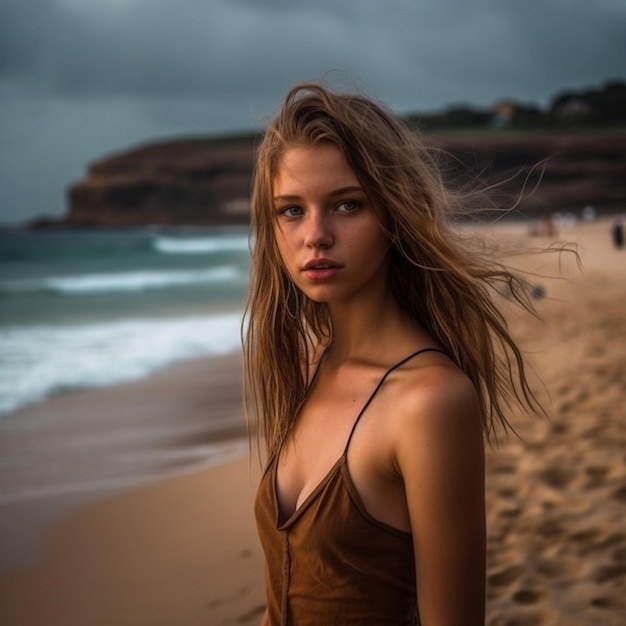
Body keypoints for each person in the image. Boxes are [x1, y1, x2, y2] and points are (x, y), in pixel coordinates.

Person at [243, 82, 542, 626]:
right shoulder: (307, 369)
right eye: (291, 210)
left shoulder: (430, 402)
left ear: (393, 214)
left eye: (347, 205)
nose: (316, 235)